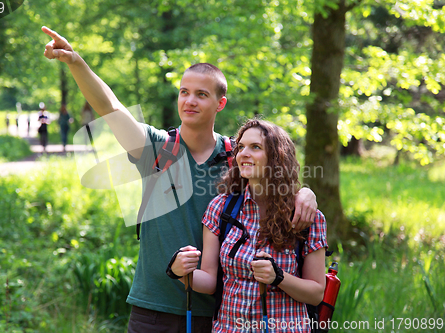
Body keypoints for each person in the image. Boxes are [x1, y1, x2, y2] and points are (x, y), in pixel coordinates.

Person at [42, 26, 318, 333]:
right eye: (184, 92)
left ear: (220, 103)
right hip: (152, 308)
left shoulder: (237, 159)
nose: (190, 101)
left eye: (201, 94)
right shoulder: (156, 149)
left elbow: (277, 186)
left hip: (218, 313)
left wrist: (305, 192)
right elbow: (111, 108)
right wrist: (76, 63)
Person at [171, 119, 327, 332]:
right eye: (241, 147)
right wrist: (180, 272)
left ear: (277, 157)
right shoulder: (221, 208)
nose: (244, 153)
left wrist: (278, 277)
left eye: (255, 147)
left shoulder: (305, 216)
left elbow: (316, 293)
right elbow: (209, 281)